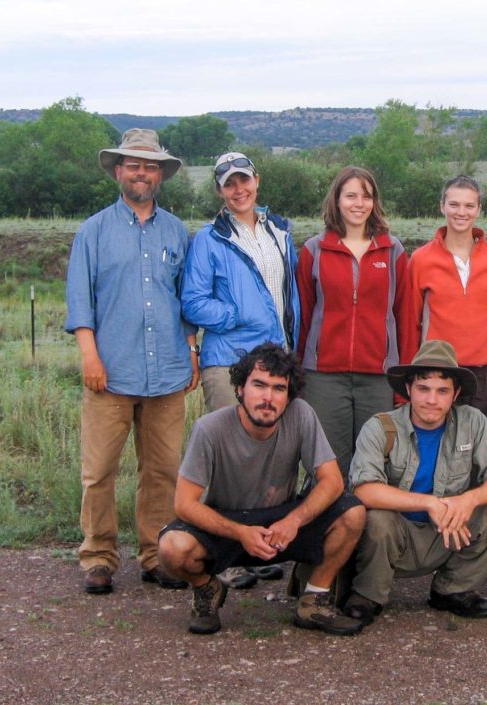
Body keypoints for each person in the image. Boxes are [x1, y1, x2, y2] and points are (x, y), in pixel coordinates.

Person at [65, 128, 199, 595]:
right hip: (111, 372)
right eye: (133, 164)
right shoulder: (94, 231)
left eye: (150, 165)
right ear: (118, 171)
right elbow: (80, 302)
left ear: (161, 174)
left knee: (162, 470)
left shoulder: (177, 231)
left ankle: (156, 555)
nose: (142, 172)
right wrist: (90, 356)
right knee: (99, 471)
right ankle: (98, 556)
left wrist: (191, 347)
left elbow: (185, 300)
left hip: (166, 370)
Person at [157, 343, 366, 636]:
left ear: (289, 395)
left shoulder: (301, 414)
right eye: (259, 385)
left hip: (282, 519)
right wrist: (241, 532)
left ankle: (314, 599)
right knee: (172, 548)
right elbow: (185, 504)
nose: (268, 398)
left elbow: (332, 480)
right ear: (240, 389)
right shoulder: (209, 429)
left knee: (353, 513)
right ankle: (207, 589)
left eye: (279, 388)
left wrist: (294, 521)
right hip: (227, 523)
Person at [181, 151, 300, 589]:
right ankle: (219, 556)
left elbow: (288, 294)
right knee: (224, 463)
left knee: (268, 463)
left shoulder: (279, 232)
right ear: (219, 190)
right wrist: (239, 315)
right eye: (229, 183)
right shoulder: (209, 239)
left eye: (244, 180)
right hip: (230, 361)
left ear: (257, 181)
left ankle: (259, 549)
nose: (238, 189)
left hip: (277, 358)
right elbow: (193, 301)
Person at [343, 339, 487, 625]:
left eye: (442, 391)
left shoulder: (472, 421)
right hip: (397, 534)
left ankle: (452, 590)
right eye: (423, 389)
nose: (431, 400)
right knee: (377, 519)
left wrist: (468, 500)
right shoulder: (380, 426)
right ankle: (368, 594)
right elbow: (364, 489)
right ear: (409, 389)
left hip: (449, 531)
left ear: (456, 393)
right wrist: (429, 503)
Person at [296, 166, 408, 474]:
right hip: (324, 378)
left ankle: (373, 523)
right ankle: (333, 522)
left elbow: (404, 318)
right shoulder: (314, 250)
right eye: (351, 196)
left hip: (378, 376)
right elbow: (304, 317)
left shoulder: (393, 250)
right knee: (330, 465)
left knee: (376, 462)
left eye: (366, 196)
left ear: (375, 202)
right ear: (337, 200)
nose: (359, 203)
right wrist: (300, 373)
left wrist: (403, 382)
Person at [402, 176, 487, 424]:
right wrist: (411, 377)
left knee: (477, 455)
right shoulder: (421, 260)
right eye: (454, 205)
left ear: (478, 209)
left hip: (484, 377)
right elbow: (410, 324)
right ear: (442, 206)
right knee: (436, 450)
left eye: (468, 205)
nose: (461, 212)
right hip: (436, 372)